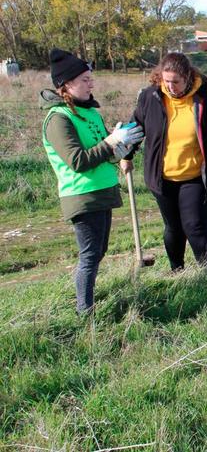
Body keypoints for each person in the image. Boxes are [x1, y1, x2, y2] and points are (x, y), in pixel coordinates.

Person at [41, 48, 144, 313]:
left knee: (98, 251)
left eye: (91, 78)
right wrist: (110, 143)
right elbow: (78, 161)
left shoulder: (90, 113)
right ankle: (84, 311)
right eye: (85, 79)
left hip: (102, 191)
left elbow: (99, 151)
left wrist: (118, 148)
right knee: (89, 255)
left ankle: (86, 300)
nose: (91, 84)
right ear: (65, 84)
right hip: (82, 195)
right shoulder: (58, 119)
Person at [122, 52, 207, 272]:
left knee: (195, 226)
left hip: (196, 176)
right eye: (166, 81)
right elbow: (135, 128)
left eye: (176, 82)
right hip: (162, 178)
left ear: (188, 77)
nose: (170, 86)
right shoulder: (149, 97)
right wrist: (126, 154)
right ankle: (176, 271)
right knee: (173, 228)